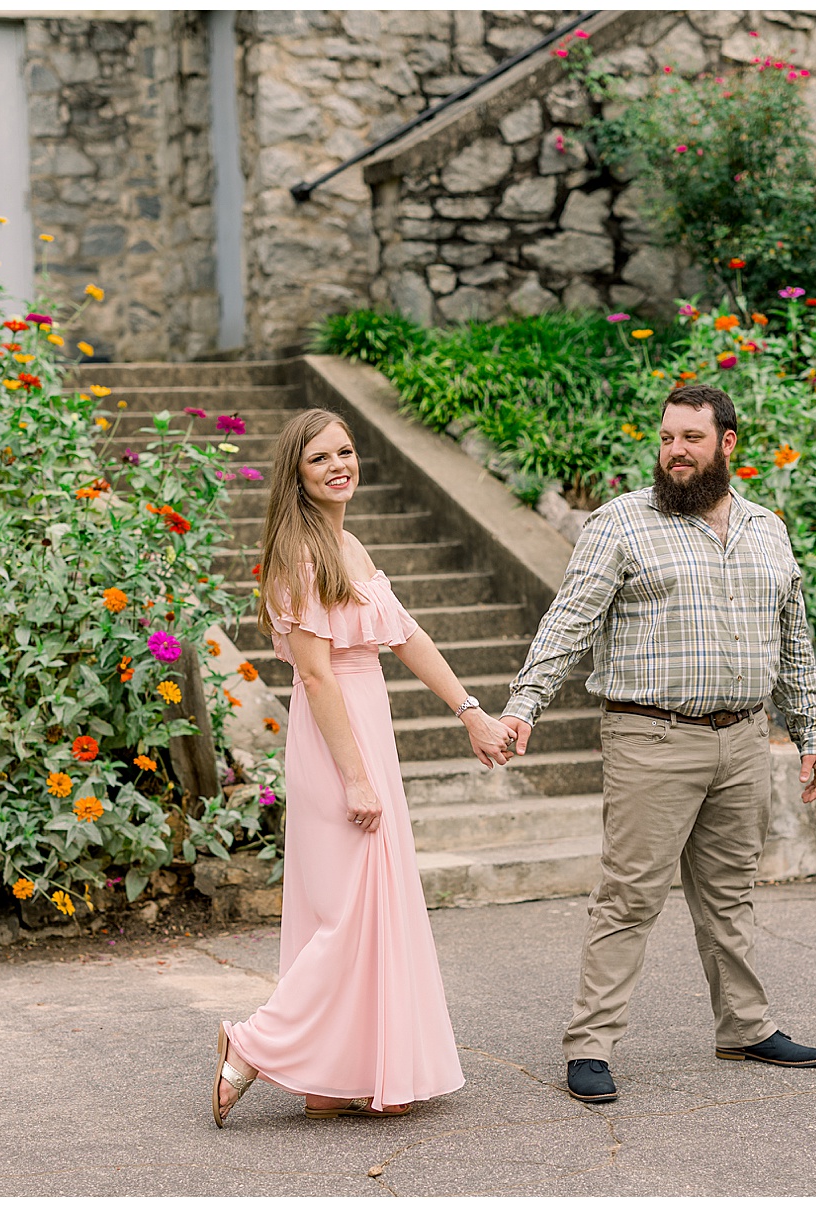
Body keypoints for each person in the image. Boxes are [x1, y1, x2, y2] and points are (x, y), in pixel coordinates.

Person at [498, 383, 816, 1104]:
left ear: (728, 444)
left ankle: (744, 1025)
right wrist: (526, 703)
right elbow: (568, 622)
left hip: (743, 738)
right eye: (666, 438)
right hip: (651, 736)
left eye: (691, 438)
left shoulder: (767, 529)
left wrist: (813, 732)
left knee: (731, 894)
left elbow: (795, 644)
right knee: (629, 897)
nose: (675, 452)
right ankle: (590, 1044)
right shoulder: (621, 523)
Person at [212, 407, 517, 1127]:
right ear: (297, 473)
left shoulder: (348, 542)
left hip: (366, 726)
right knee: (349, 914)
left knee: (363, 908)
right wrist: (354, 777)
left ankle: (337, 1074)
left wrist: (470, 709)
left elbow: (405, 634)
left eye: (346, 451)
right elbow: (317, 679)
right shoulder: (300, 556)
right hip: (334, 740)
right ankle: (252, 1043)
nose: (339, 465)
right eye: (321, 458)